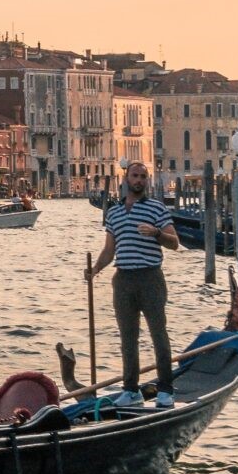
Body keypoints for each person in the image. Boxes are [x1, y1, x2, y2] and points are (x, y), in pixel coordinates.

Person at [91, 161, 181, 408]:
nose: (139, 180)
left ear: (147, 180)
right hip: (123, 280)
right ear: (126, 178)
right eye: (135, 176)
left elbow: (174, 242)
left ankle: (166, 389)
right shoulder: (115, 213)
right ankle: (131, 390)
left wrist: (157, 233)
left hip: (150, 277)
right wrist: (95, 270)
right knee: (127, 337)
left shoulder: (157, 209)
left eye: (143, 176)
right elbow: (110, 250)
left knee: (158, 334)